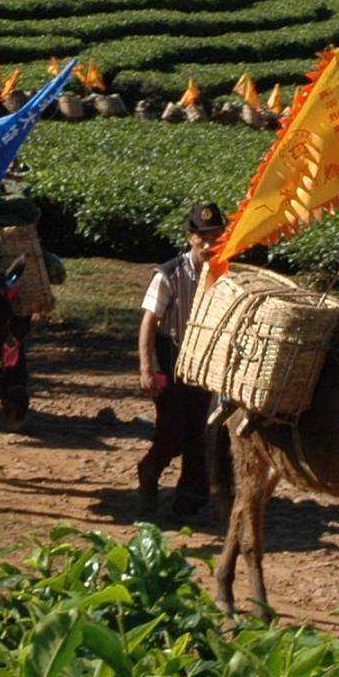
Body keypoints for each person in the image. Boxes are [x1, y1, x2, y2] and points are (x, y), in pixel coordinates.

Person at [135, 202, 225, 518]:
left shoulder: (225, 275)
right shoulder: (169, 274)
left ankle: (190, 498)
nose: (210, 244)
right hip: (172, 359)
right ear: (190, 238)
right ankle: (149, 472)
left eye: (216, 237)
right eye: (203, 237)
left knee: (202, 430)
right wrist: (148, 369)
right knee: (173, 431)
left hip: (204, 363)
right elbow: (149, 322)